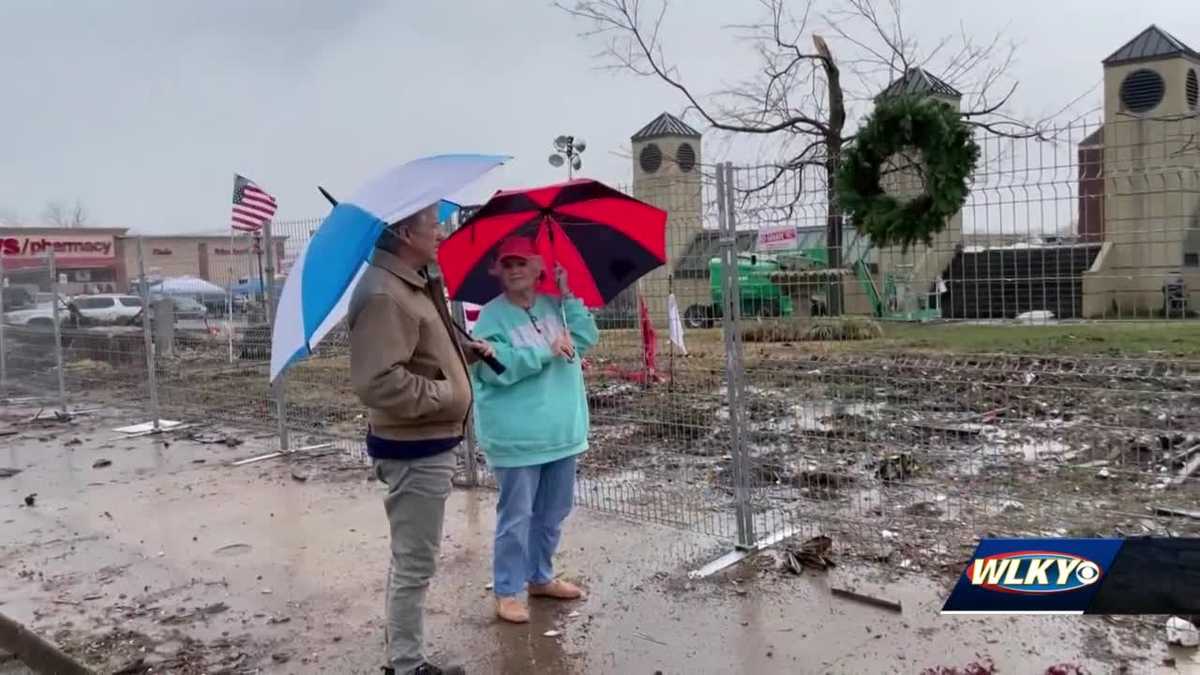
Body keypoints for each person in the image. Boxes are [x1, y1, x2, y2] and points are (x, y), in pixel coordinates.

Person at [348, 204, 495, 675]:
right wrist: (449, 391)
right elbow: (378, 381)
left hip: (427, 440)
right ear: (405, 231)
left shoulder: (410, 283)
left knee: (411, 556)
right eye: (433, 225)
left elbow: (416, 354)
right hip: (413, 447)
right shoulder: (383, 293)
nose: (441, 232)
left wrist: (462, 354)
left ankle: (403, 659)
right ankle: (407, 666)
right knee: (415, 561)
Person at [468, 235, 599, 624]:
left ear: (539, 267)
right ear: (497, 271)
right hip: (518, 438)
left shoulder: (555, 306)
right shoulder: (491, 317)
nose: (514, 270)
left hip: (561, 432)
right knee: (517, 516)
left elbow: (586, 338)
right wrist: (545, 351)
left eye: (521, 262)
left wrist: (568, 295)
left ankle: (540, 576)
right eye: (506, 264)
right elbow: (495, 369)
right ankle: (508, 590)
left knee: (553, 511)